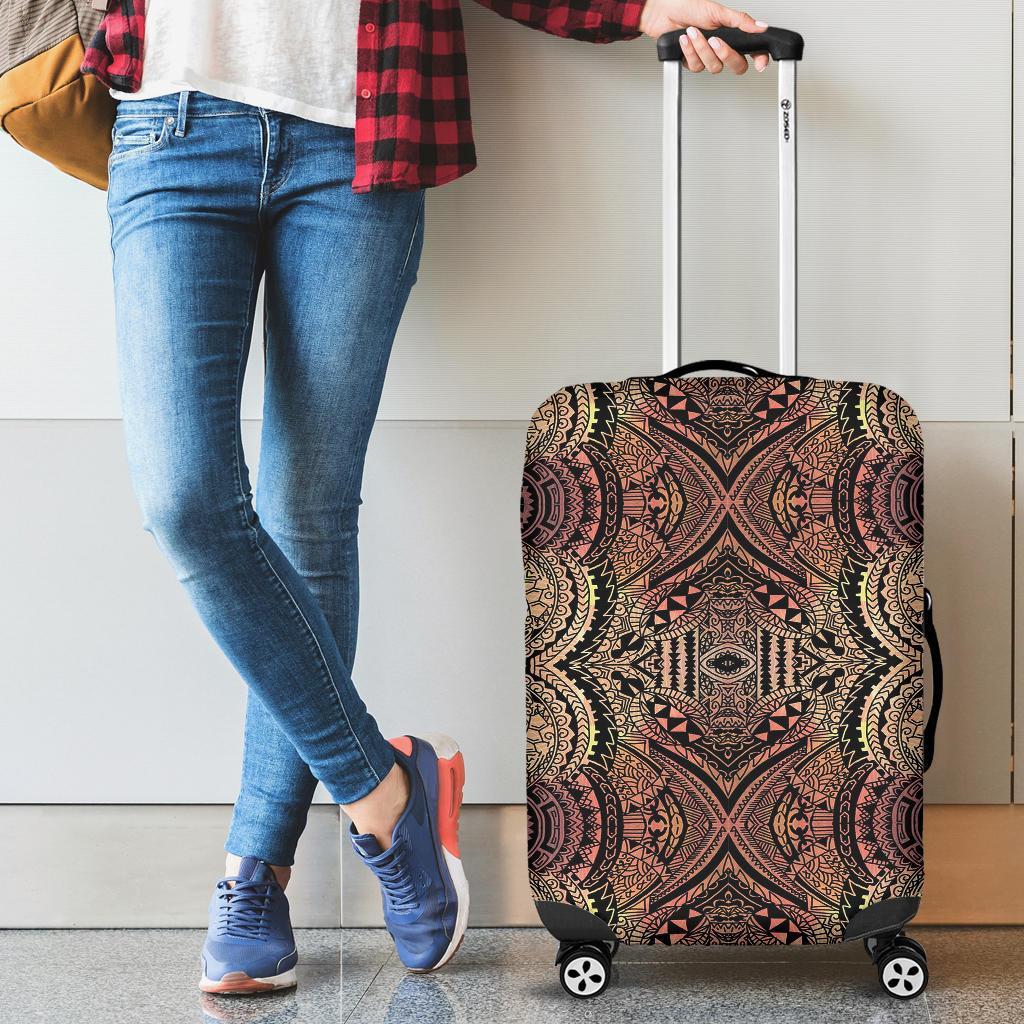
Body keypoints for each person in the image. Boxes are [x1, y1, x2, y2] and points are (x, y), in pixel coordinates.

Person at [80, 0, 771, 996]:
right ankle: (384, 786)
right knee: (186, 498)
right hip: (170, 124)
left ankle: (255, 874)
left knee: (308, 509)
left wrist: (638, 8)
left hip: (358, 133)